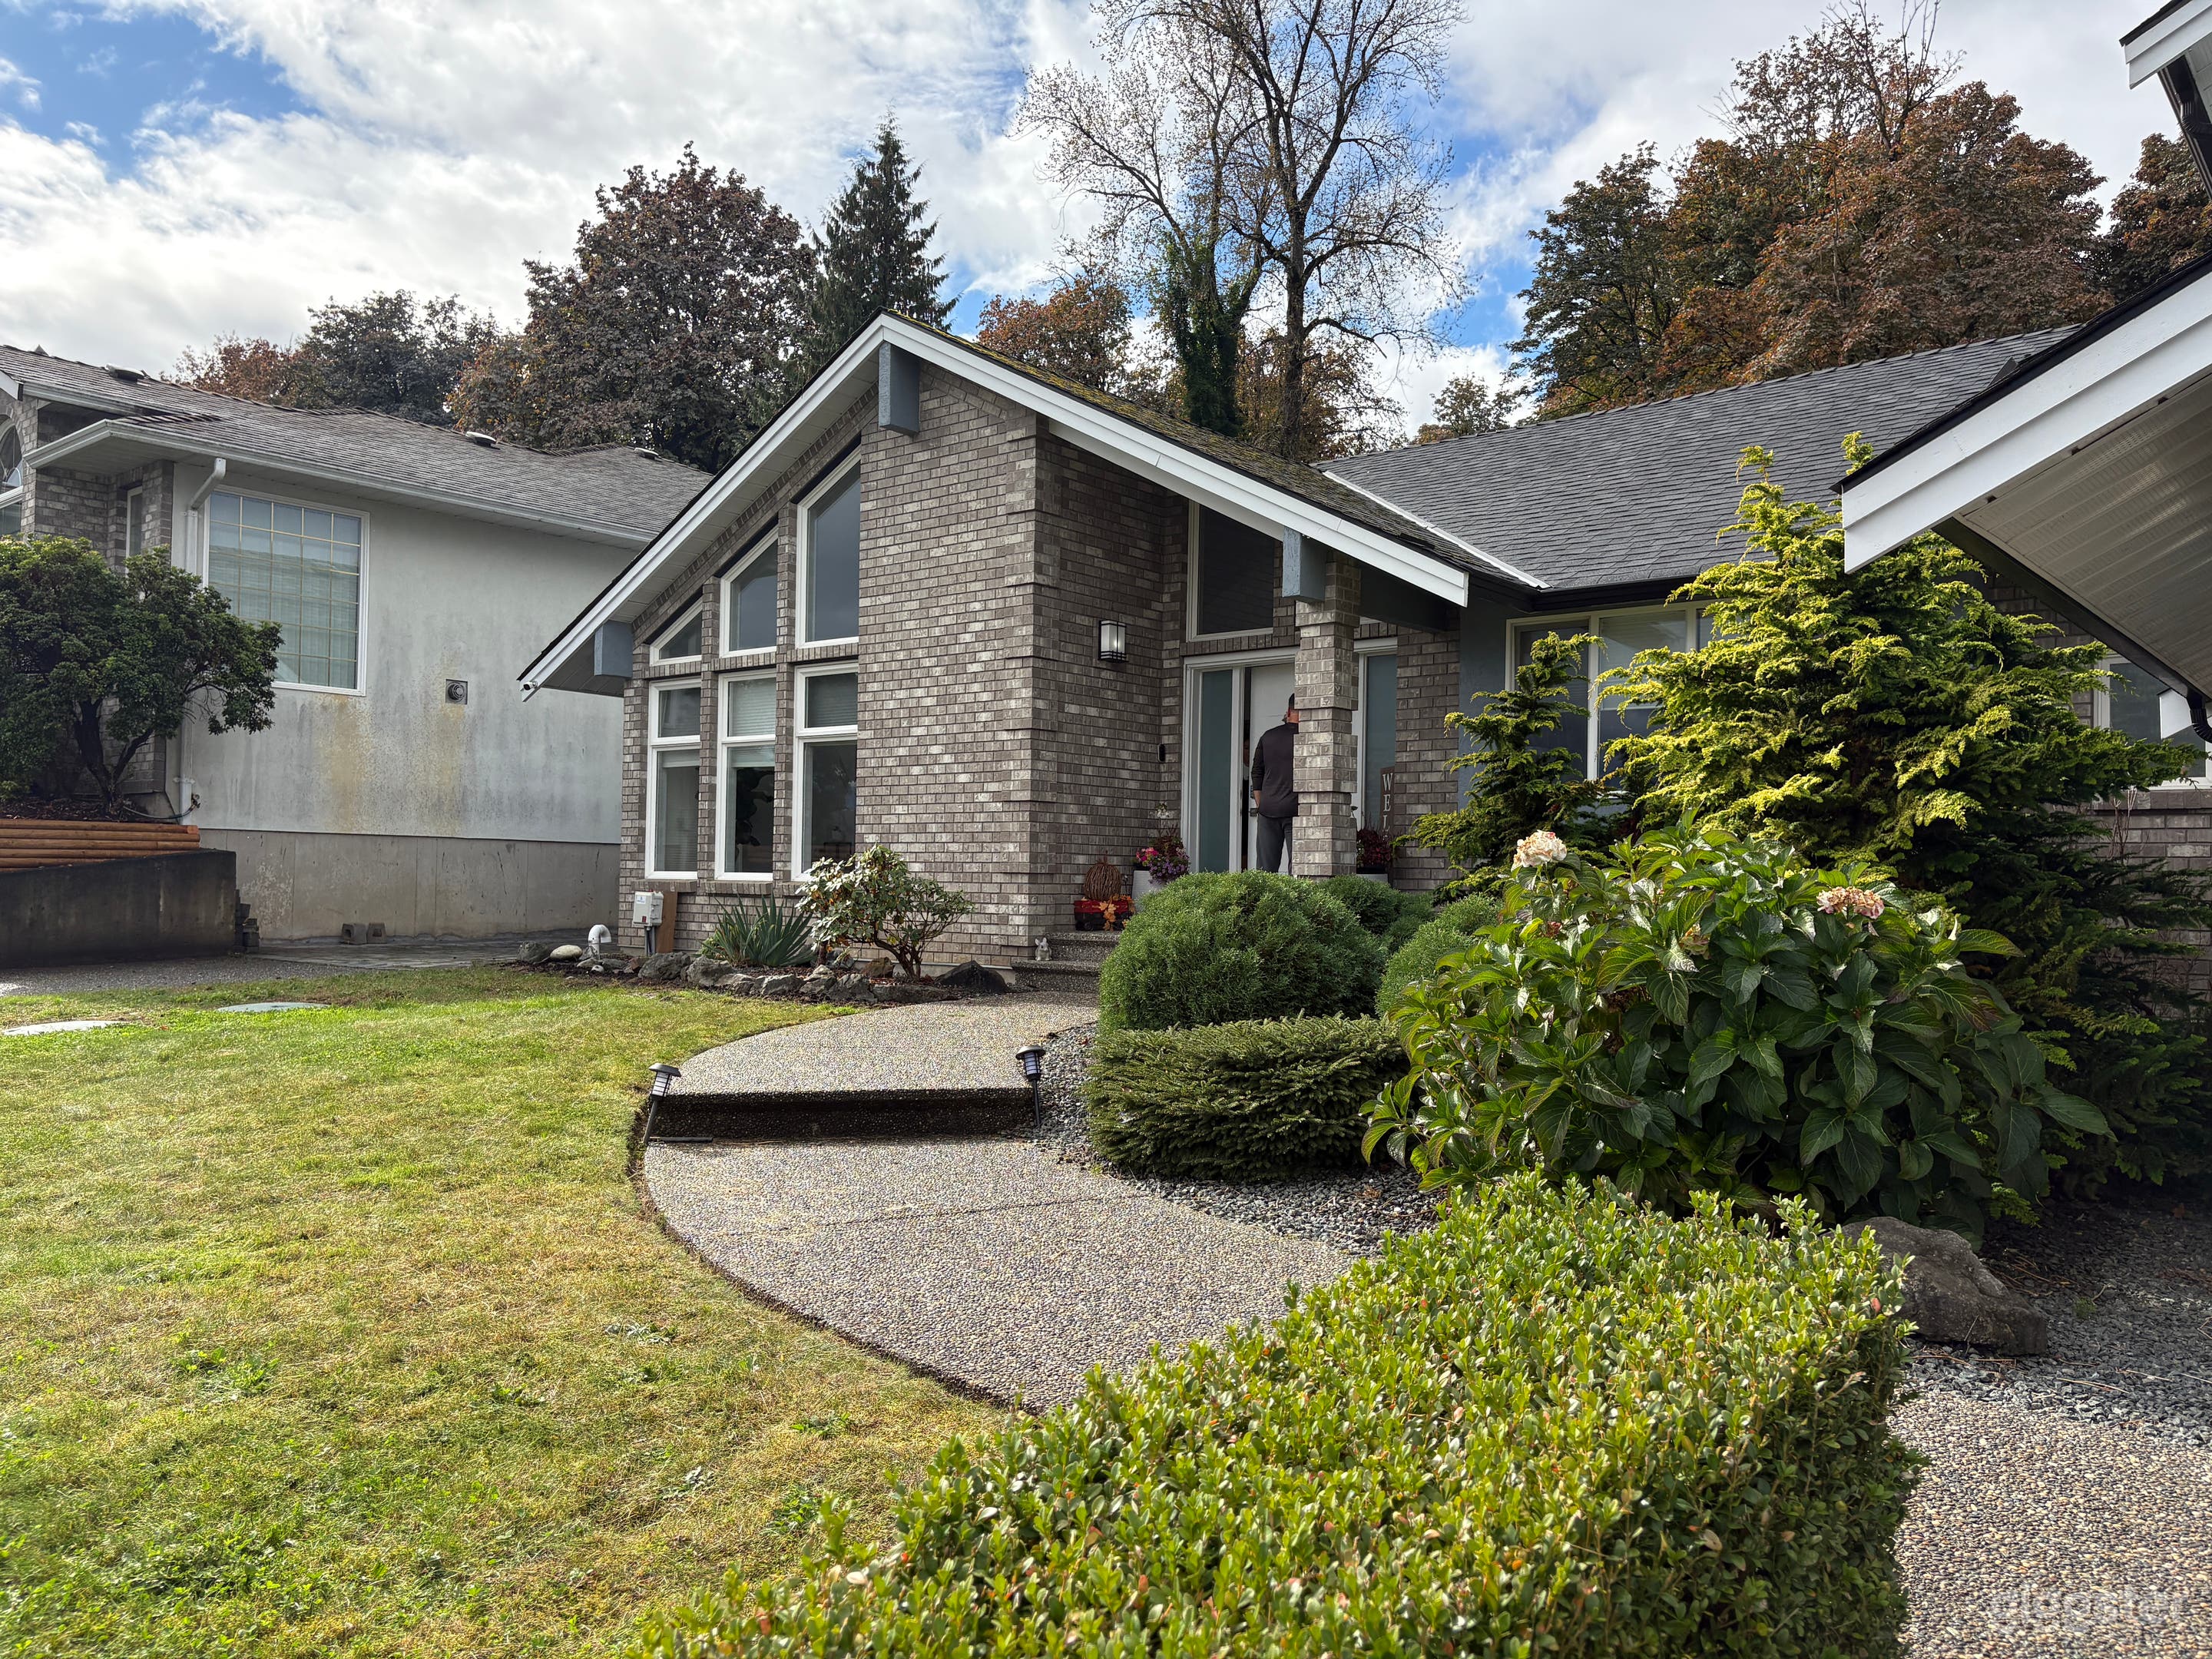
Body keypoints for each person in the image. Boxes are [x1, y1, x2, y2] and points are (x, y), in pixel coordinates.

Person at [1250, 696, 1298, 873]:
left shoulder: (1268, 736)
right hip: (1297, 811)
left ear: (1288, 711)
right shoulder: (1310, 738)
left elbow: (1256, 772)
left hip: (1268, 810)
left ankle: (1264, 901)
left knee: (1265, 871)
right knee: (1299, 870)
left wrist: (1261, 804)